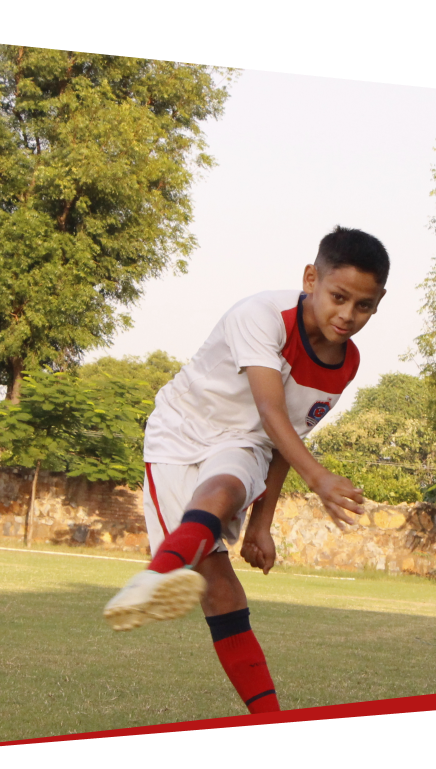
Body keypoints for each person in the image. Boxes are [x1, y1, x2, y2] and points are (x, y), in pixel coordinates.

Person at [103, 225, 389, 714]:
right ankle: (159, 575)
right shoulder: (261, 315)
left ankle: (163, 577)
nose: (348, 315)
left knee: (226, 487)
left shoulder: (344, 364)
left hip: (248, 441)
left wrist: (261, 523)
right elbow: (270, 408)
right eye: (339, 297)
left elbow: (283, 438)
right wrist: (319, 480)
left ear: (378, 303)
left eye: (364, 306)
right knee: (220, 591)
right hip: (180, 431)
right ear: (310, 279)